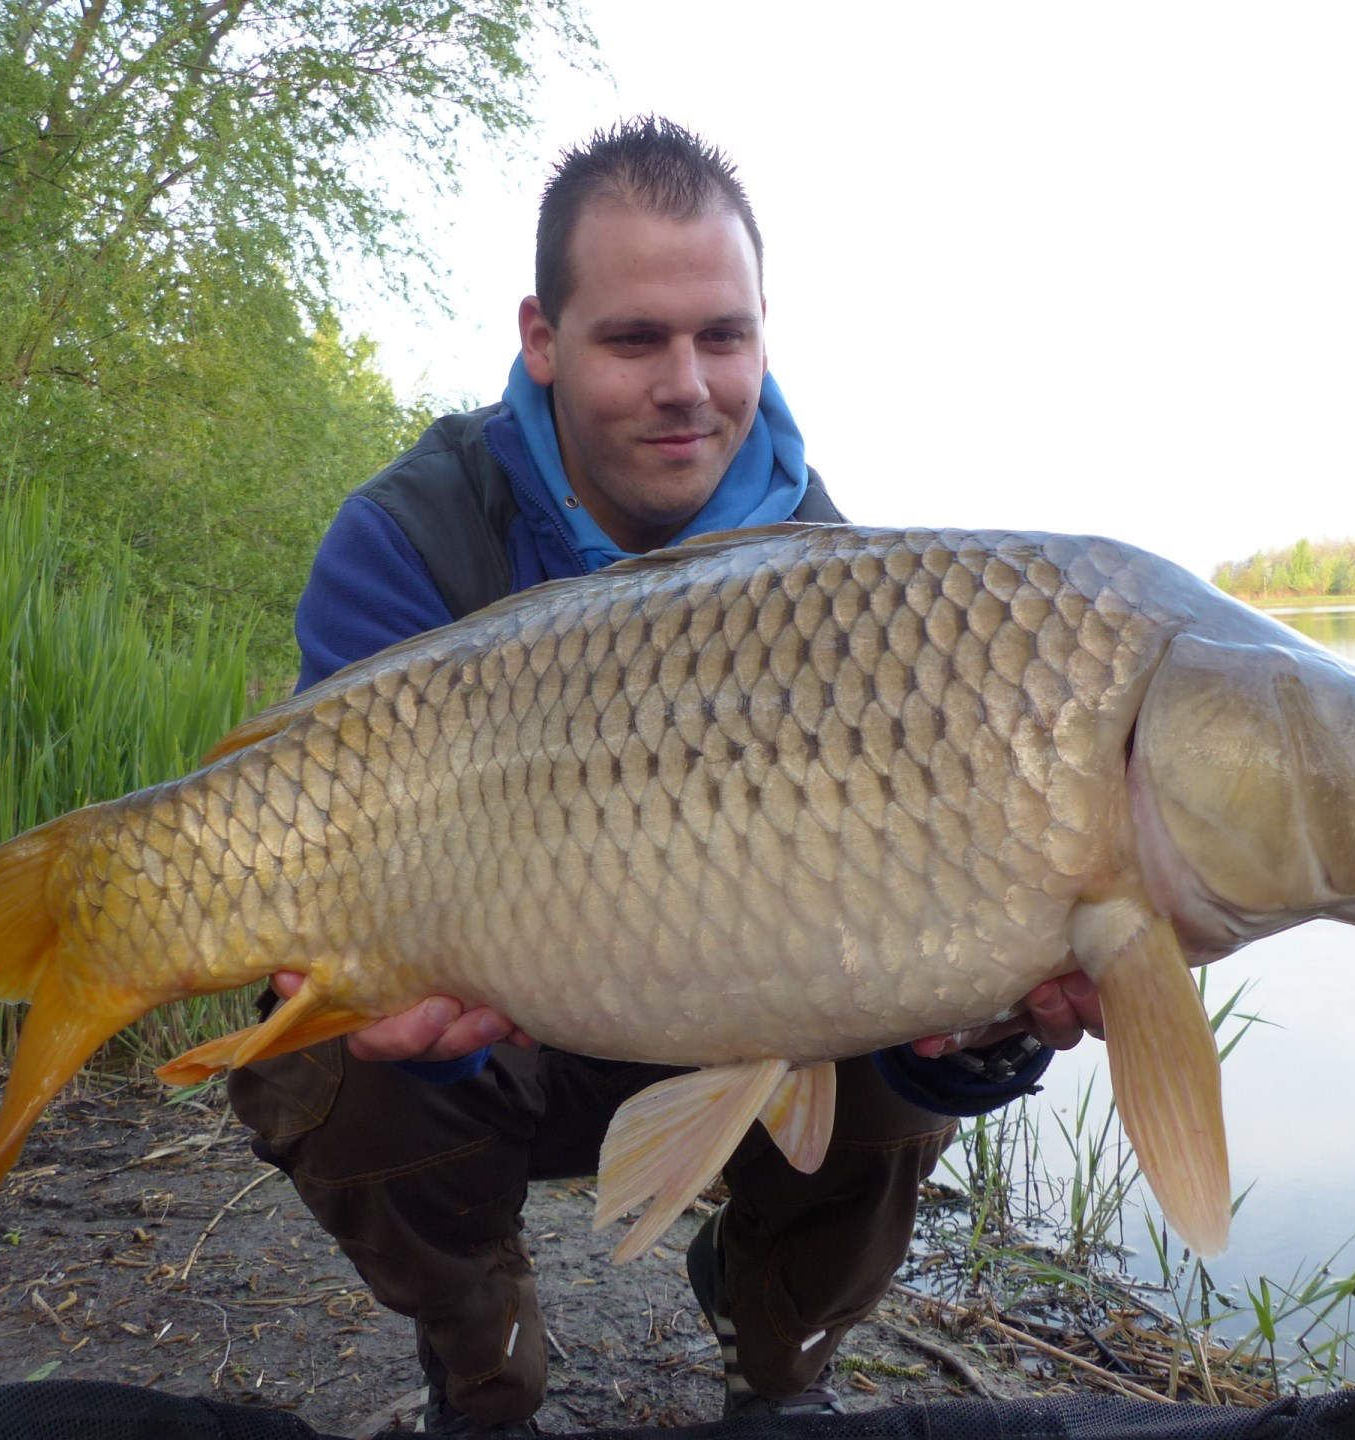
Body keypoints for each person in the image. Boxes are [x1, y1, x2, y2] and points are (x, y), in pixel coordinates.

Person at [226, 117, 1105, 1437]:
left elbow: (927, 962)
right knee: (325, 1057)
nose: (687, 382)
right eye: (636, 339)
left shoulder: (850, 583)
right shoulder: (414, 537)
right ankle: (483, 1339)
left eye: (724, 337)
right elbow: (322, 847)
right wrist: (426, 1035)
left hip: (743, 1014)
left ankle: (781, 1336)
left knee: (912, 1017)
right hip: (512, 1025)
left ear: (762, 336)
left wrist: (982, 1039)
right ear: (544, 338)